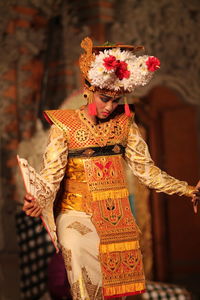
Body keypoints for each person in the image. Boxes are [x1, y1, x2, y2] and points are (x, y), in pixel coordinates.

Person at [23, 37, 200, 300]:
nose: (109, 107)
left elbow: (146, 172)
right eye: (105, 98)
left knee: (120, 293)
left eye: (116, 101)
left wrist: (188, 190)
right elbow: (51, 175)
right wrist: (38, 199)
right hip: (76, 215)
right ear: (88, 89)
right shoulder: (64, 126)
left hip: (116, 217)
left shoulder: (125, 125)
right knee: (83, 278)